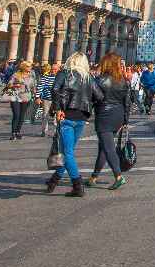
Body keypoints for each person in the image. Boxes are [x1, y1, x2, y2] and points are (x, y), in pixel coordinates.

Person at [46, 52, 102, 197]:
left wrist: (58, 109)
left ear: (71, 60)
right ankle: (54, 179)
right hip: (81, 118)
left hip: (66, 116)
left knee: (67, 153)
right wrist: (88, 105)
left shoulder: (65, 73)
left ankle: (77, 185)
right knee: (68, 151)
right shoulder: (88, 77)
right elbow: (99, 96)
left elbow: (55, 89)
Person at [86, 52, 131, 190]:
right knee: (104, 147)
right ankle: (94, 177)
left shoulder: (100, 80)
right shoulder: (123, 81)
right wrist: (125, 120)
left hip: (104, 116)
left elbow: (93, 99)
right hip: (118, 115)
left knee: (108, 148)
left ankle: (118, 176)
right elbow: (127, 102)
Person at [3, 61, 37, 140]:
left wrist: (36, 95)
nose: (30, 68)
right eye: (28, 66)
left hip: (25, 98)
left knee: (22, 116)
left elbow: (33, 87)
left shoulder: (31, 76)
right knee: (16, 115)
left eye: (30, 66)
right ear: (24, 67)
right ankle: (13, 133)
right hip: (15, 97)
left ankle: (18, 131)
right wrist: (14, 85)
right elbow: (9, 84)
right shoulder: (16, 75)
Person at [36, 62, 59, 137]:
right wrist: (37, 97)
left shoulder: (61, 77)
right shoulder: (45, 77)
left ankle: (56, 131)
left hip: (57, 100)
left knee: (57, 116)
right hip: (47, 99)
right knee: (45, 115)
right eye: (52, 69)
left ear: (58, 69)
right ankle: (44, 131)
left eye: (55, 69)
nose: (53, 71)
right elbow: (40, 87)